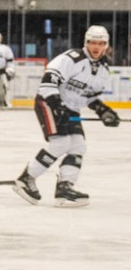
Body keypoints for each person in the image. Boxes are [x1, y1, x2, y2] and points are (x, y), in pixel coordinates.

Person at [14, 24, 119, 207]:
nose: (96, 47)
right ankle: (26, 179)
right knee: (61, 143)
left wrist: (104, 111)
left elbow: (89, 96)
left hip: (70, 108)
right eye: (92, 42)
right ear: (86, 43)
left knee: (78, 146)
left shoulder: (103, 69)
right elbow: (48, 81)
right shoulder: (72, 58)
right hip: (48, 102)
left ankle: (65, 187)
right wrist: (57, 105)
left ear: (106, 45)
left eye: (100, 43)